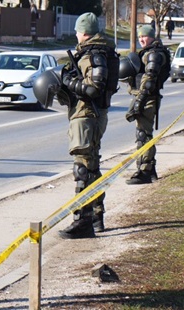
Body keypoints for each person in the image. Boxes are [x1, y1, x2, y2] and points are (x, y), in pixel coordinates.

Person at [57, 12, 119, 239]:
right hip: (91, 115)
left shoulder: (94, 54)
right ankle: (95, 216)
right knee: (91, 167)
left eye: (77, 31)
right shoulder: (98, 51)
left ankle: (82, 221)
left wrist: (68, 81)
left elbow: (93, 88)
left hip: (87, 115)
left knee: (83, 169)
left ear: (84, 32)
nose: (75, 34)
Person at [123, 24, 171, 185]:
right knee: (144, 133)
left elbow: (150, 79)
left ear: (152, 37)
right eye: (139, 37)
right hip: (145, 97)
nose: (141, 39)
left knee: (143, 135)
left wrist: (140, 100)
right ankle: (149, 168)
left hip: (148, 98)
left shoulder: (154, 54)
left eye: (144, 36)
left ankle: (145, 170)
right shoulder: (150, 52)